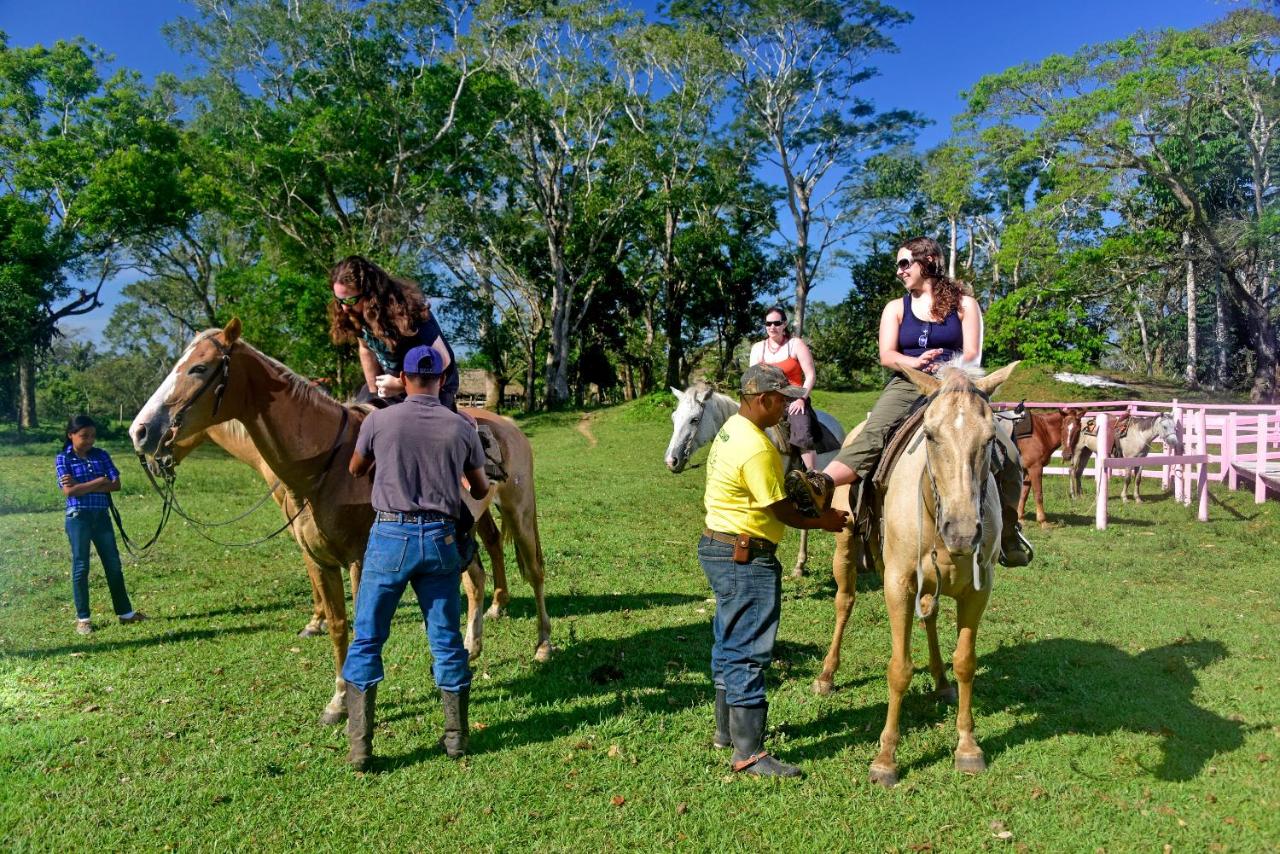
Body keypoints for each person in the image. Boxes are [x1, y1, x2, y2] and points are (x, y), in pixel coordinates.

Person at [821, 236, 1031, 567]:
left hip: (958, 385)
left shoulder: (965, 305)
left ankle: (1008, 533)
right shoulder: (895, 307)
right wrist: (916, 365)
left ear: (929, 260)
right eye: (898, 265)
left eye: (905, 263)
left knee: (1008, 454)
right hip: (909, 383)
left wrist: (948, 369)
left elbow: (973, 353)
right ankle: (826, 489)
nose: (899, 271)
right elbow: (887, 354)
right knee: (873, 432)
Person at [341, 345, 489, 771]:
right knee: (444, 639)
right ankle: (456, 739)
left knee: (368, 636)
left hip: (390, 535)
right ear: (441, 380)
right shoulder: (460, 426)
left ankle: (360, 747)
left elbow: (354, 469)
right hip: (440, 540)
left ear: (403, 380)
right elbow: (479, 490)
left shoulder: (379, 419)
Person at [700, 364, 848, 778]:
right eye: (782, 399)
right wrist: (823, 521)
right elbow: (779, 509)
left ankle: (726, 733)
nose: (787, 406)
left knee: (728, 638)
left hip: (719, 544)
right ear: (762, 399)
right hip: (746, 553)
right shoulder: (758, 448)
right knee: (748, 647)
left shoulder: (731, 429)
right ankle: (749, 754)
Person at [328, 255, 461, 411]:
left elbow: (442, 360)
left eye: (350, 301)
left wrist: (400, 384)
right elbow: (365, 348)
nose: (344, 308)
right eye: (340, 300)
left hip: (433, 383)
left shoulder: (410, 312)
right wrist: (374, 393)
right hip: (391, 380)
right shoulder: (355, 313)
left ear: (370, 294)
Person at [55, 415, 146, 635]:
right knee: (81, 567)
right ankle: (83, 619)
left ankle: (125, 613)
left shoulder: (101, 454)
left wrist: (83, 485)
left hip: (101, 517)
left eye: (92, 436)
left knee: (113, 565)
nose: (89, 440)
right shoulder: (63, 458)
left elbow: (116, 484)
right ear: (71, 435)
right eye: (84, 436)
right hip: (78, 518)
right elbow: (69, 491)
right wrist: (100, 481)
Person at [749, 306, 819, 471]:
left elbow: (810, 375)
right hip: (767, 399)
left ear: (784, 324)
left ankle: (812, 475)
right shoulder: (758, 348)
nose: (772, 327)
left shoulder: (795, 344)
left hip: (794, 398)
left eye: (776, 323)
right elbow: (752, 379)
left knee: (801, 430)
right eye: (768, 323)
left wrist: (802, 399)